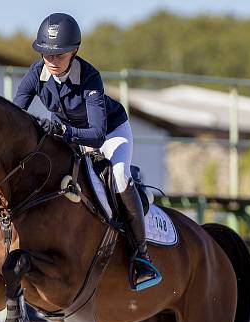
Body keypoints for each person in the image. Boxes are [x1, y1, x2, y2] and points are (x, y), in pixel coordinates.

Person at [12, 12, 161, 291]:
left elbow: (96, 134)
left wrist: (63, 132)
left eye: (59, 55)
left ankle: (141, 255)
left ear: (73, 52)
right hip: (67, 135)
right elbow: (14, 112)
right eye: (46, 53)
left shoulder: (90, 77)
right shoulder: (36, 73)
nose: (52, 61)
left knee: (117, 177)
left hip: (109, 133)